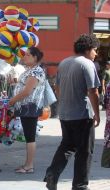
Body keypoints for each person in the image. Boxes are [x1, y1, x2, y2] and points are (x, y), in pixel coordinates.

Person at [43, 34, 100, 190]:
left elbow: (57, 87)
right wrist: (97, 113)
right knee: (84, 151)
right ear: (88, 49)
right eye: (95, 50)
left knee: (67, 146)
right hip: (82, 114)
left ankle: (52, 173)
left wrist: (65, 103)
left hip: (65, 113)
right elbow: (93, 91)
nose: (96, 54)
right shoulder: (87, 64)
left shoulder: (64, 63)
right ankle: (80, 185)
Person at [8, 47, 45, 174]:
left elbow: (27, 91)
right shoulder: (29, 70)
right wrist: (14, 84)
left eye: (28, 55)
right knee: (29, 136)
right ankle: (27, 164)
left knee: (30, 137)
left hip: (30, 108)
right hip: (25, 108)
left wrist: (12, 100)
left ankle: (29, 165)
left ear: (35, 57)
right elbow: (23, 86)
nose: (25, 57)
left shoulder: (36, 72)